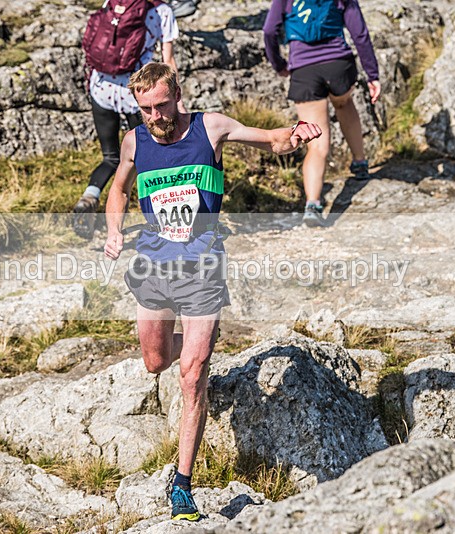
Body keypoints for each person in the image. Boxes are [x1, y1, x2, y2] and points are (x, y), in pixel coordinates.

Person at [103, 62, 322, 521]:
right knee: (156, 362)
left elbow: (270, 138)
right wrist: (114, 231)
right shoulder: (134, 141)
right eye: (145, 109)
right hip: (153, 265)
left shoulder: (210, 127)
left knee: (192, 372)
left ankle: (181, 483)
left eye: (162, 105)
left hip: (203, 266)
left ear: (177, 94)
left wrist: (295, 134)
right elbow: (118, 189)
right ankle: (190, 349)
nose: (155, 116)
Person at [263, 0, 381, 226]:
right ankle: (360, 162)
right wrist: (372, 74)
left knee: (317, 141)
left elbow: (269, 31)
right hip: (339, 66)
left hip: (304, 71)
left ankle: (313, 204)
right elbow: (360, 35)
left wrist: (278, 65)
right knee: (344, 103)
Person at [74, 0, 181, 238]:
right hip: (138, 95)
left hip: (101, 87)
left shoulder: (114, 3)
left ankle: (89, 196)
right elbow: (168, 62)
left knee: (111, 157)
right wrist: (177, 101)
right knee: (149, 158)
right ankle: (162, 221)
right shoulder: (162, 11)